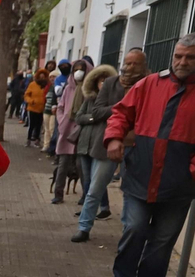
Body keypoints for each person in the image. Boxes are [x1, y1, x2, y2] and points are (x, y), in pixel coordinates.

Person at [102, 35, 195, 277]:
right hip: (140, 174)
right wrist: (114, 137)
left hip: (179, 183)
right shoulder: (151, 84)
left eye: (190, 57)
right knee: (134, 229)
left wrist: (192, 170)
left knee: (163, 240)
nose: (182, 62)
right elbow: (121, 113)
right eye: (178, 56)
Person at [73, 49, 147, 242]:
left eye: (136, 64)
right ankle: (84, 227)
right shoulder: (111, 83)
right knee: (95, 188)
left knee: (131, 191)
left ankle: (127, 231)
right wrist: (123, 107)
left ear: (144, 66)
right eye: (128, 63)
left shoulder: (149, 84)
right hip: (108, 143)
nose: (131, 67)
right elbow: (96, 111)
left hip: (138, 145)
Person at [51, 57, 92, 204]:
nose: (78, 73)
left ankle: (85, 196)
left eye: (81, 70)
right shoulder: (68, 88)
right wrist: (62, 121)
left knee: (82, 166)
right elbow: (61, 107)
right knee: (63, 165)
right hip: (66, 130)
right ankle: (58, 194)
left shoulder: (90, 90)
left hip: (83, 131)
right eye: (75, 70)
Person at [24, 69, 50, 147]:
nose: (42, 78)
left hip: (42, 109)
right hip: (32, 108)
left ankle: (37, 140)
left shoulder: (47, 85)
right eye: (40, 76)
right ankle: (28, 139)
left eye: (43, 76)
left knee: (39, 125)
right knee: (31, 125)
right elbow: (26, 95)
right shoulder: (32, 84)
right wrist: (31, 101)